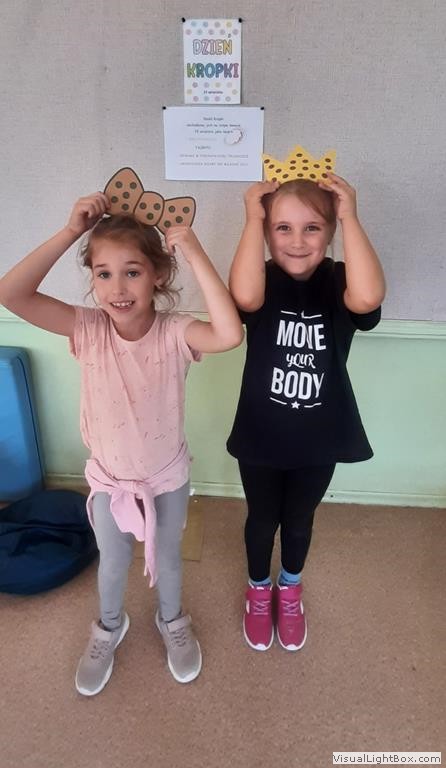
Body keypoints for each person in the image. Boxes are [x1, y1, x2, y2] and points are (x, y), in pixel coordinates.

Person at [0, 192, 243, 693]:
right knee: (111, 563)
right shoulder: (87, 328)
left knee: (168, 558)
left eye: (132, 272)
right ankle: (110, 625)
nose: (118, 288)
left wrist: (194, 251)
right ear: (92, 280)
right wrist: (71, 231)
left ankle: (172, 619)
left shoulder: (176, 332)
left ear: (158, 274)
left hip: (166, 478)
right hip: (109, 481)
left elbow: (229, 334)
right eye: (104, 274)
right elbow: (12, 293)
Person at [227, 173, 386, 652]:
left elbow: (368, 299)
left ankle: (290, 587)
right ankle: (259, 590)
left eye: (312, 228)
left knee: (299, 519)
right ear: (267, 233)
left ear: (331, 233)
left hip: (321, 435)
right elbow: (244, 299)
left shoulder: (339, 281)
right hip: (261, 433)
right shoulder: (263, 280)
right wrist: (252, 218)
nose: (297, 241)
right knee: (262, 518)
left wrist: (350, 214)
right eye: (283, 228)